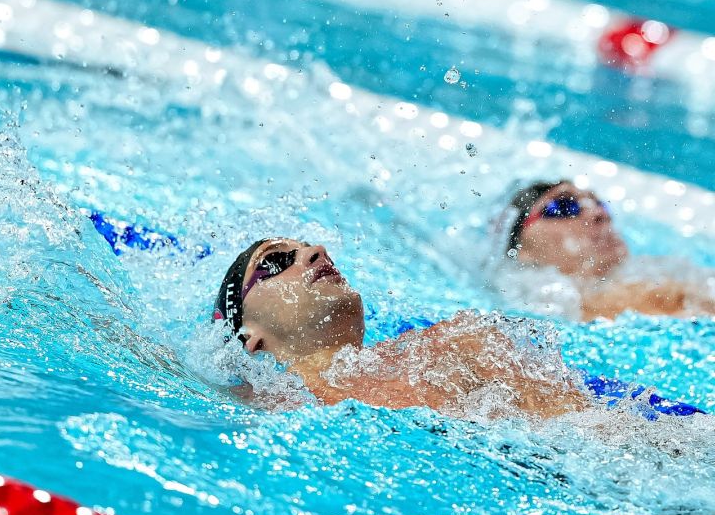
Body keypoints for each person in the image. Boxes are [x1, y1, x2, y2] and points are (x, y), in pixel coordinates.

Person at [213, 238, 703, 419]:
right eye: (277, 262)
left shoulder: (450, 342)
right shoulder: (274, 404)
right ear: (251, 339)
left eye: (307, 246)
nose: (314, 251)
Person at [496, 180, 715, 321]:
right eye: (564, 207)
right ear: (522, 248)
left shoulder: (664, 271)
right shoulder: (536, 304)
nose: (599, 214)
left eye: (599, 204)